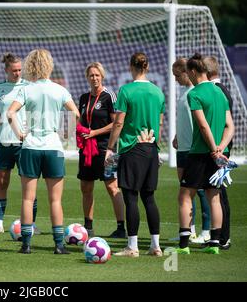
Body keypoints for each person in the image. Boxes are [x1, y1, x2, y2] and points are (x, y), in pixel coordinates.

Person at [7, 48, 80, 254]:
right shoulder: (59, 89)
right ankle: (58, 245)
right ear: (49, 65)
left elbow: (10, 113)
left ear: (31, 65)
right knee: (55, 199)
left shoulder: (26, 89)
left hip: (31, 146)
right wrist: (66, 134)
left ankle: (26, 244)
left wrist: (20, 134)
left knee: (27, 199)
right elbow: (75, 113)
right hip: (53, 147)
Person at [105, 52, 165, 257]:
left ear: (131, 66)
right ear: (146, 67)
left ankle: (132, 246)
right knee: (149, 197)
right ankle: (155, 246)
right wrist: (155, 144)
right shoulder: (158, 92)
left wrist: (110, 148)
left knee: (130, 197)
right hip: (151, 148)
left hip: (132, 148)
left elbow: (119, 122)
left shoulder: (126, 90)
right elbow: (160, 123)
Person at [175, 53, 234, 255]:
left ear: (192, 71)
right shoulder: (220, 92)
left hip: (200, 153)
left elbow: (202, 125)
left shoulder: (195, 93)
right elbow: (230, 126)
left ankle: (183, 245)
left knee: (185, 196)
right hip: (220, 154)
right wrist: (220, 148)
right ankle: (215, 245)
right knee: (214, 197)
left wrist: (212, 148)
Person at [0, 52, 40, 235]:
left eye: (20, 70)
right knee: (2, 183)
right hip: (4, 142)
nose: (17, 73)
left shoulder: (29, 87)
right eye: (14, 70)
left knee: (29, 185)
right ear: (6, 70)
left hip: (25, 144)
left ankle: (31, 224)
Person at [77, 62, 125, 239]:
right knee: (86, 187)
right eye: (91, 75)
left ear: (102, 76)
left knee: (112, 186)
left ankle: (121, 227)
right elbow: (82, 121)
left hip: (107, 148)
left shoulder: (109, 96)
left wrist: (94, 132)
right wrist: (80, 132)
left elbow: (116, 123)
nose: (94, 78)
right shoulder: (83, 98)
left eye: (97, 75)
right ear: (87, 77)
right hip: (87, 149)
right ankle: (88, 227)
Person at [171, 58, 211, 244]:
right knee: (186, 192)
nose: (176, 79)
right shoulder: (183, 94)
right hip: (183, 148)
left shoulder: (195, 93)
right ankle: (190, 230)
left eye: (177, 75)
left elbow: (200, 122)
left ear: (187, 72)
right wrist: (178, 136)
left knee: (201, 190)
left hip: (194, 150)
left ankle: (206, 231)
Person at [202, 55, 234, 250]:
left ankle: (223, 236)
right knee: (217, 192)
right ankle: (221, 236)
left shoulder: (217, 91)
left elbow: (225, 124)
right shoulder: (222, 91)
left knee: (219, 193)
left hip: (219, 151)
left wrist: (220, 148)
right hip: (221, 149)